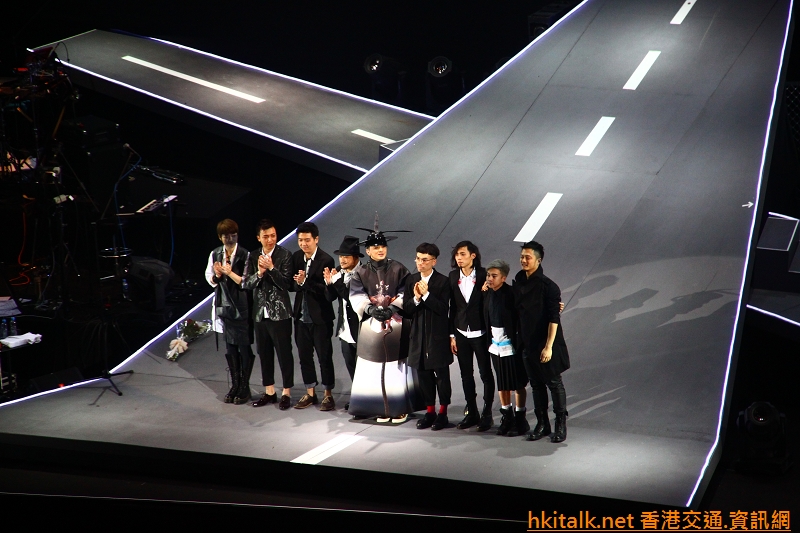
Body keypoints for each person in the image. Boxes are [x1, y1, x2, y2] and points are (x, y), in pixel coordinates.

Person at [348, 226, 423, 423]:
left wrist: (393, 307)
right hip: (371, 324)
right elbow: (356, 295)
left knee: (394, 367)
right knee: (370, 366)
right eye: (375, 247)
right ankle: (375, 407)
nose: (380, 249)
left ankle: (398, 407)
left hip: (396, 323)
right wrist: (370, 309)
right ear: (368, 251)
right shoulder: (360, 272)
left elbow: (406, 291)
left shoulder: (399, 268)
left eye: (383, 246)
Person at [514, 241, 570, 443]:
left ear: (538, 260)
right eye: (522, 256)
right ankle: (542, 424)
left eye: (528, 257)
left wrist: (548, 347)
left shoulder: (549, 287)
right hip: (526, 343)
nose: (523, 260)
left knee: (554, 383)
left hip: (545, 343)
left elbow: (554, 319)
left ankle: (560, 425)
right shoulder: (519, 280)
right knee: (536, 385)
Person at [244, 219, 295, 410]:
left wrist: (272, 269)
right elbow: (246, 283)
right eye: (266, 236)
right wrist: (259, 273)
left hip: (280, 314)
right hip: (260, 314)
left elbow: (286, 284)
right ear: (259, 238)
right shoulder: (253, 256)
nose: (270, 239)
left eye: (273, 235)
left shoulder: (285, 255)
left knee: (284, 353)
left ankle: (286, 392)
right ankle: (270, 391)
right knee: (264, 353)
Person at [403, 243, 452, 430]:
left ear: (434, 261)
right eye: (418, 259)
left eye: (425, 260)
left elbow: (443, 309)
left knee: (442, 377)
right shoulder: (411, 280)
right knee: (423, 376)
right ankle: (430, 412)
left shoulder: (443, 282)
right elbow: (406, 310)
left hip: (437, 338)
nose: (420, 263)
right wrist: (416, 298)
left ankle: (443, 413)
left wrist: (426, 295)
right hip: (418, 338)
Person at [205, 218, 254, 405]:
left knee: (244, 346)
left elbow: (247, 281)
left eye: (233, 235)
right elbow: (210, 278)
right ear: (220, 237)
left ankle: (245, 386)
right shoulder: (215, 254)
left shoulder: (245, 254)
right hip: (224, 306)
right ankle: (235, 384)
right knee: (230, 347)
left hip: (241, 306)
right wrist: (217, 275)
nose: (230, 239)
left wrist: (229, 273)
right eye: (226, 236)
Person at [449, 241, 494, 431]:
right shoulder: (453, 276)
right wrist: (452, 335)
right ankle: (472, 412)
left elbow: (495, 300)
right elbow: (453, 307)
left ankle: (487, 413)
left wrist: (487, 292)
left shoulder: (485, 275)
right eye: (457, 255)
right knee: (466, 375)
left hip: (481, 333)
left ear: (473, 256)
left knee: (485, 374)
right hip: (461, 333)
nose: (459, 258)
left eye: (462, 254)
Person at [290, 221, 336, 411]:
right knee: (304, 357)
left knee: (324, 357)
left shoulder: (326, 260)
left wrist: (305, 282)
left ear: (316, 239)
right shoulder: (296, 257)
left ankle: (328, 395)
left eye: (307, 240)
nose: (303, 244)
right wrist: (299, 283)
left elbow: (325, 291)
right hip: (301, 317)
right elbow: (291, 285)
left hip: (320, 318)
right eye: (300, 240)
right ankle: (310, 393)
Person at [481, 259, 529, 437]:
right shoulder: (487, 294)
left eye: (494, 276)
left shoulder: (512, 294)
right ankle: (506, 417)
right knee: (502, 383)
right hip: (495, 346)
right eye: (488, 275)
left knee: (517, 383)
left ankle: (520, 419)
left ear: (504, 278)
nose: (489, 279)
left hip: (512, 346)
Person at [323, 235, 363, 410]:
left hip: (361, 329)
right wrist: (329, 284)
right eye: (341, 256)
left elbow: (351, 297)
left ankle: (367, 399)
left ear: (356, 258)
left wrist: (337, 282)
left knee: (364, 367)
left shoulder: (363, 273)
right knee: (351, 364)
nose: (342, 260)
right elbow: (330, 297)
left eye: (346, 256)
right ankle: (358, 396)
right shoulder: (339, 271)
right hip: (345, 329)